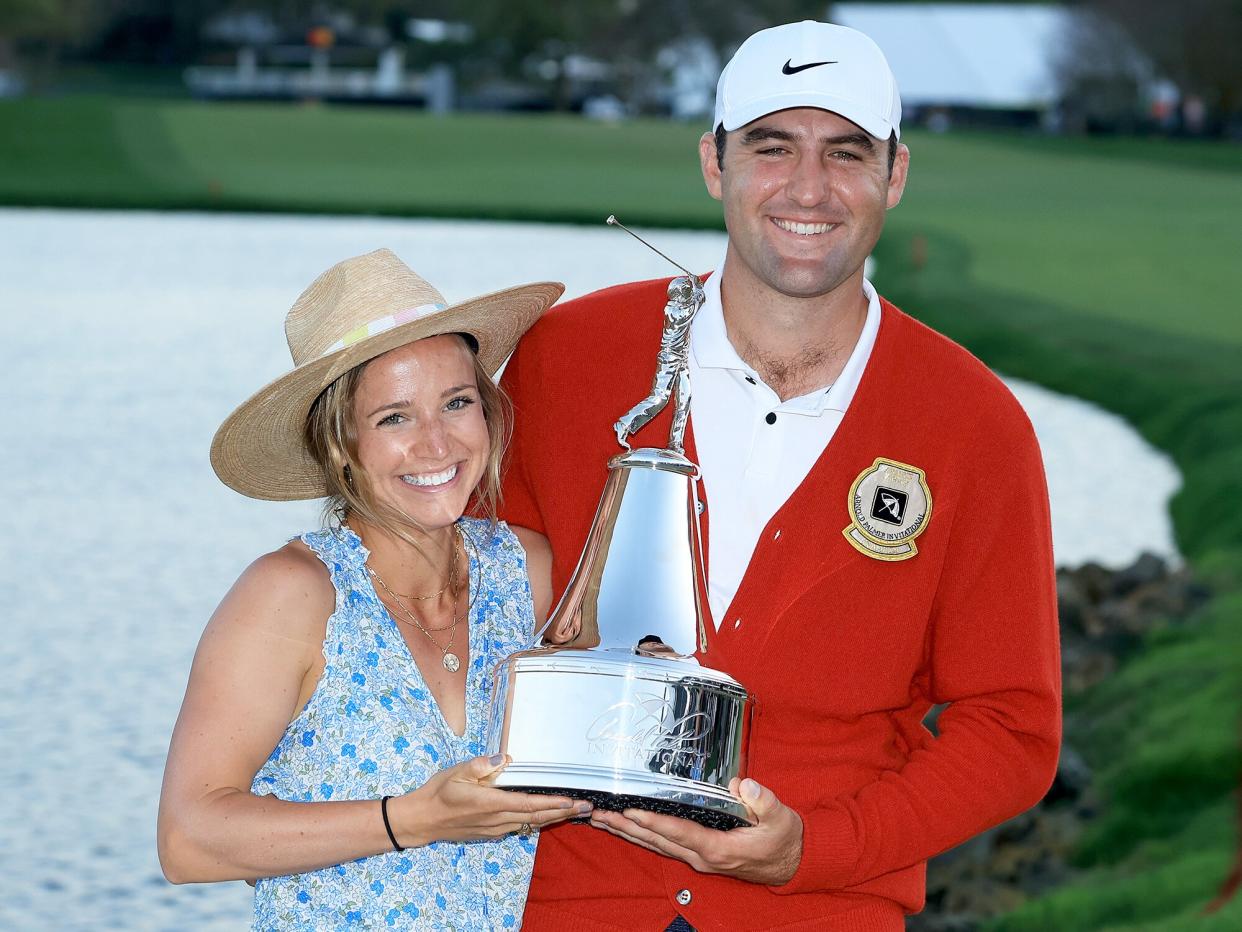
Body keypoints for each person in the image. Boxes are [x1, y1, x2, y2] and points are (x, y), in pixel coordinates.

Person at [498, 21, 1061, 931]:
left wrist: (820, 847)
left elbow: (1013, 729)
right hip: (562, 901)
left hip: (822, 911)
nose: (809, 189)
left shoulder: (974, 424)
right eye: (772, 147)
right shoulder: (566, 360)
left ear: (896, 175)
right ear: (715, 163)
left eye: (846, 153)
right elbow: (442, 609)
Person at [157, 248, 591, 929]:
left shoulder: (528, 574)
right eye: (395, 417)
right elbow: (188, 839)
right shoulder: (293, 595)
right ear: (341, 445)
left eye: (457, 403)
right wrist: (415, 819)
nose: (436, 443)